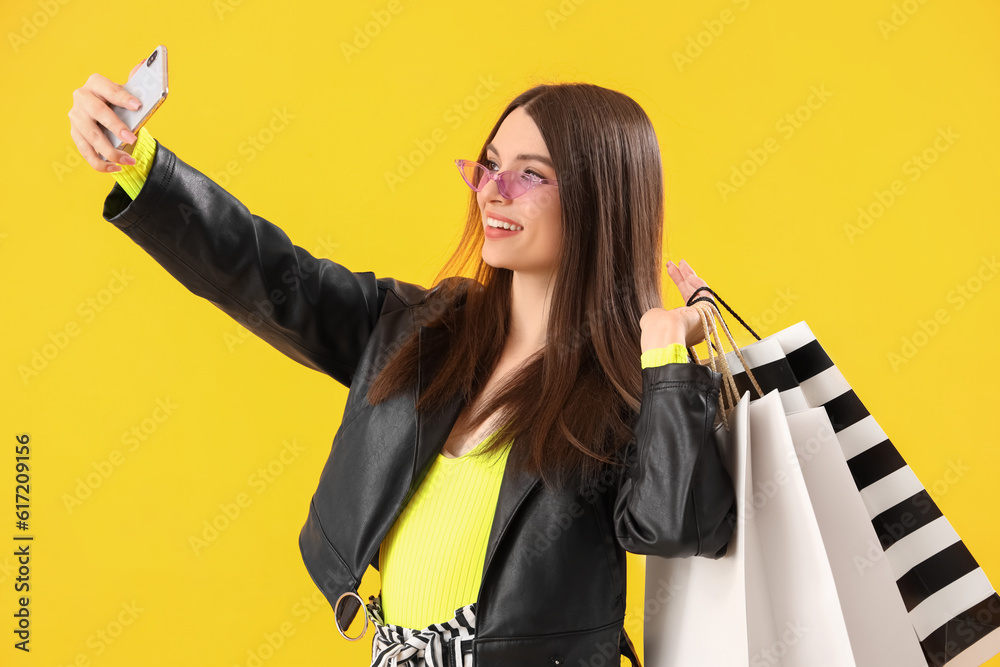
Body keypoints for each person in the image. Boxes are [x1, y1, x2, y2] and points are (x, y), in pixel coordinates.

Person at [69, 65, 737, 666]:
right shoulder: (421, 329)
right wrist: (144, 169)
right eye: (490, 164)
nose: (493, 191)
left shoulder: (630, 386)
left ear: (600, 197)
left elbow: (675, 527)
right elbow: (272, 279)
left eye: (530, 174)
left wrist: (667, 360)